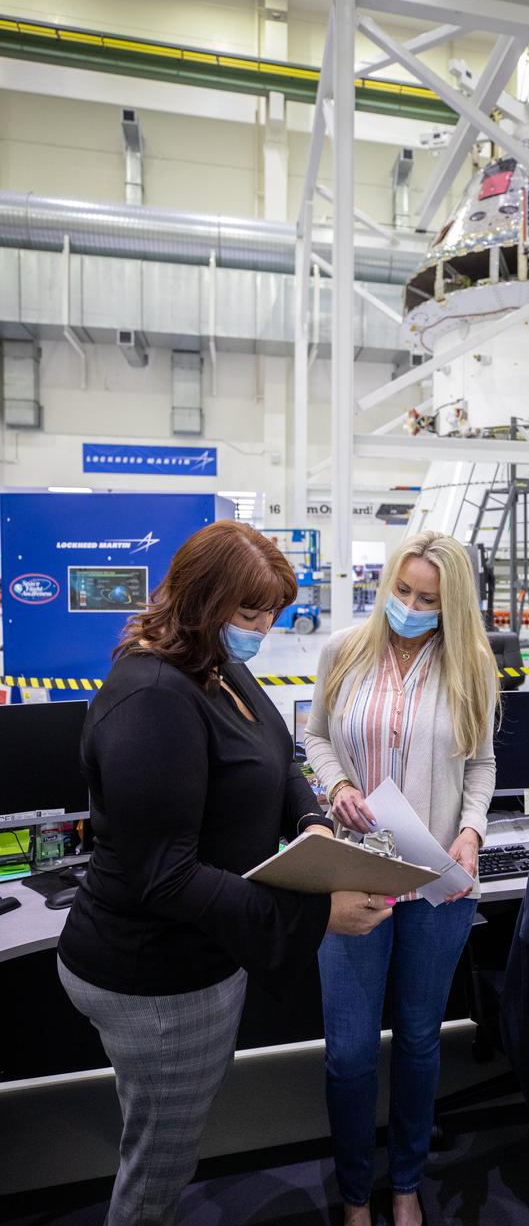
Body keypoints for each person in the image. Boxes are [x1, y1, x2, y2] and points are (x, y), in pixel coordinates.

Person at [58, 520, 391, 1226]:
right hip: (155, 974)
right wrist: (317, 913)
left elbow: (277, 756)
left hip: (205, 951)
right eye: (248, 611)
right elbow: (165, 878)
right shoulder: (153, 696)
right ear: (201, 599)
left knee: (163, 1140)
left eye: (272, 611)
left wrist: (312, 823)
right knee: (159, 1165)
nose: (263, 627)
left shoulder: (215, 665)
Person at [304, 530, 499, 1226]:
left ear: (452, 606)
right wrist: (334, 788)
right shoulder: (343, 651)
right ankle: (356, 1194)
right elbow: (316, 736)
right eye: (403, 591)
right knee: (351, 1053)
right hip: (356, 875)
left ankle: (407, 1181)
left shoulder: (470, 664)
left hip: (437, 878)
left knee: (419, 1041)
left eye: (429, 601)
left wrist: (472, 830)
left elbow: (479, 764)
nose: (411, 608)